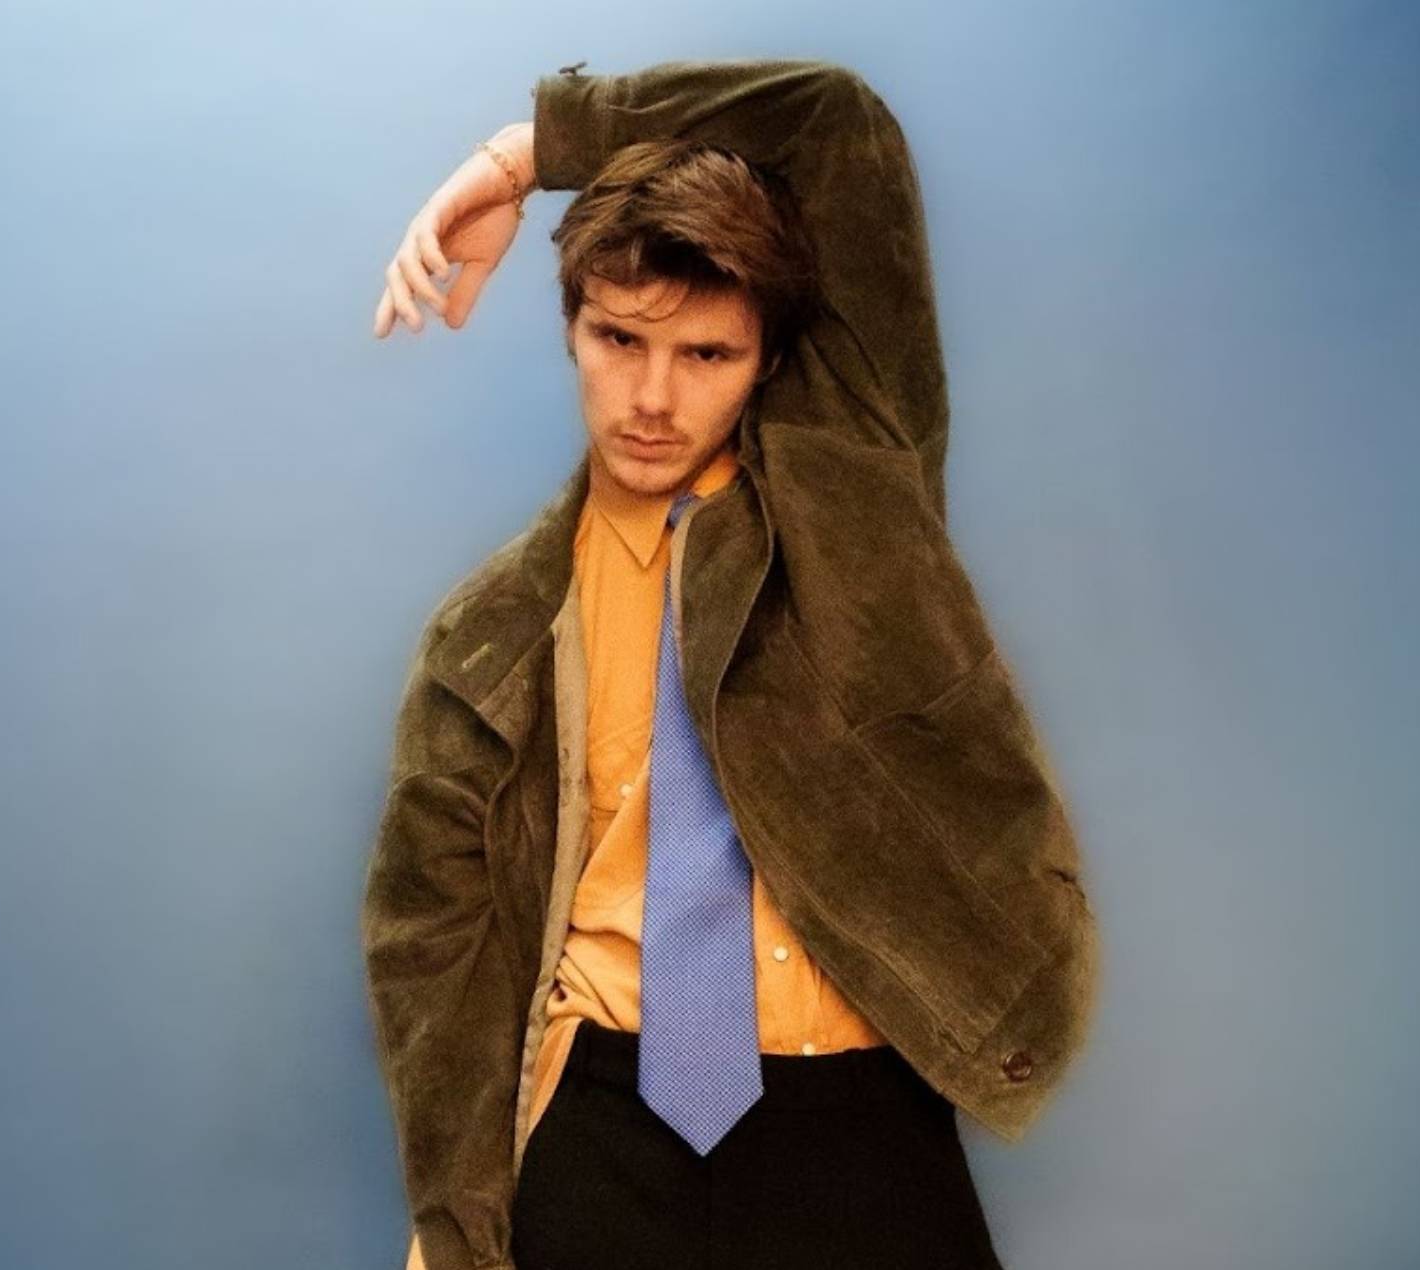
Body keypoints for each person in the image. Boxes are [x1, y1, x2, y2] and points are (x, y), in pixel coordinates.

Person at [364, 57, 1100, 1270]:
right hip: (601, 1125)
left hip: (858, 1117)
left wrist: (526, 156)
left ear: (766, 362)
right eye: (618, 338)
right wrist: (455, 1230)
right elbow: (432, 956)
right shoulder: (487, 637)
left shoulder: (851, 488)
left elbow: (835, 120)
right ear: (570, 328)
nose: (651, 397)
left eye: (706, 354)